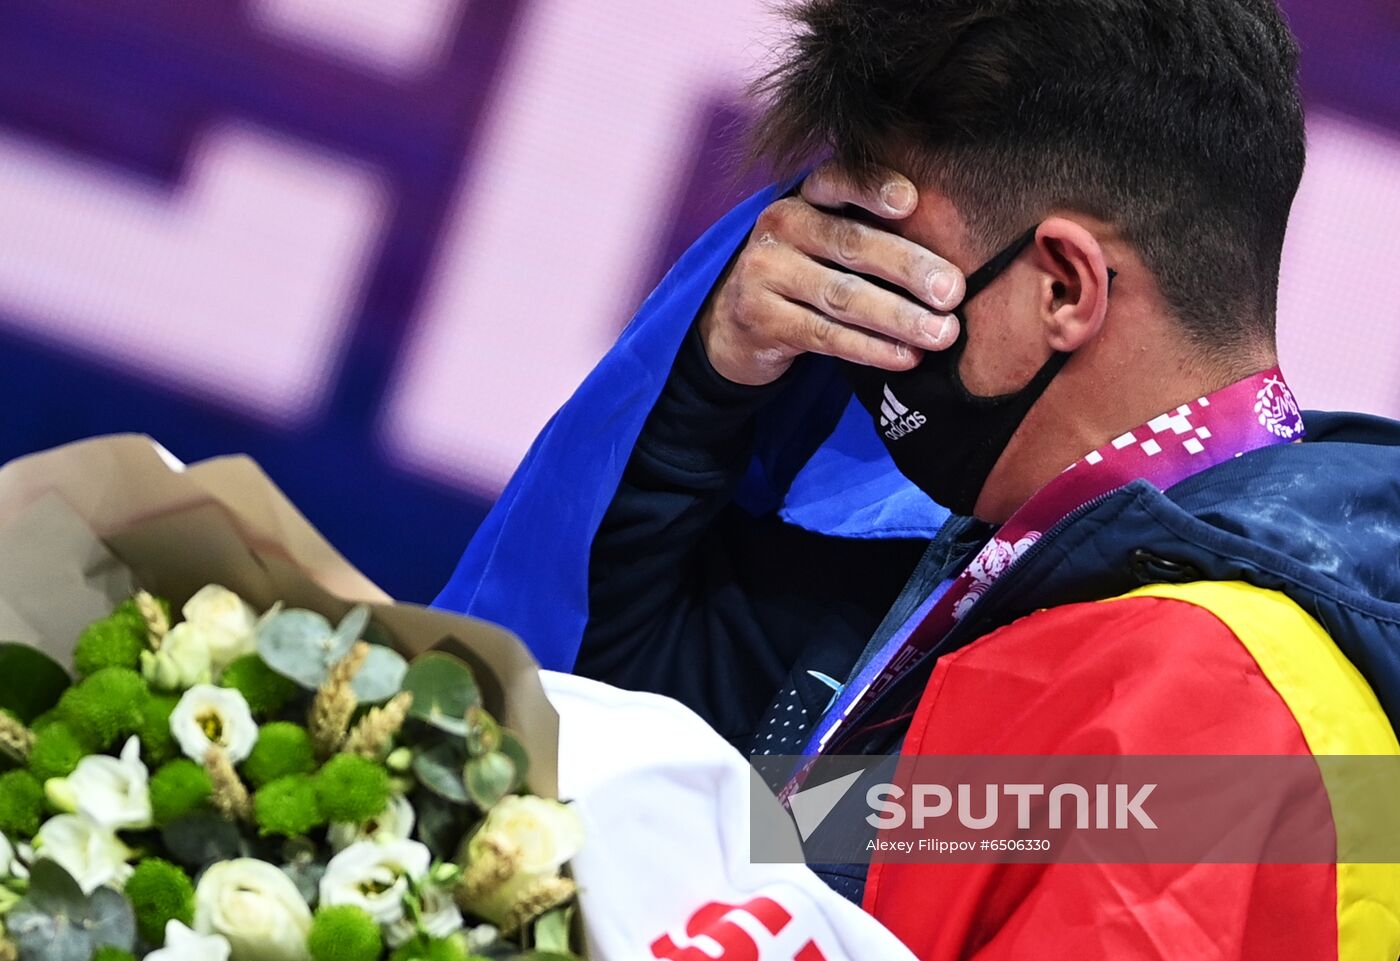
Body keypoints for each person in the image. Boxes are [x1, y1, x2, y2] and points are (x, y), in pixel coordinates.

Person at [436, 0, 1400, 956]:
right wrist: (702, 394)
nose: (854, 315)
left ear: (1065, 287)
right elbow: (612, 778)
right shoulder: (969, 572)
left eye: (903, 270)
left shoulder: (1222, 699)